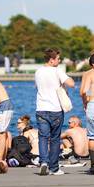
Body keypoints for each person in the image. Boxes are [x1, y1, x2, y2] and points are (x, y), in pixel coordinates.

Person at [34, 47, 74, 176]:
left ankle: (43, 162)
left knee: (43, 137)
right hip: (55, 109)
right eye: (58, 58)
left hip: (41, 108)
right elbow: (71, 83)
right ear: (52, 60)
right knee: (55, 139)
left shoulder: (38, 72)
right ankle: (54, 168)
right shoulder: (57, 71)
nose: (59, 60)